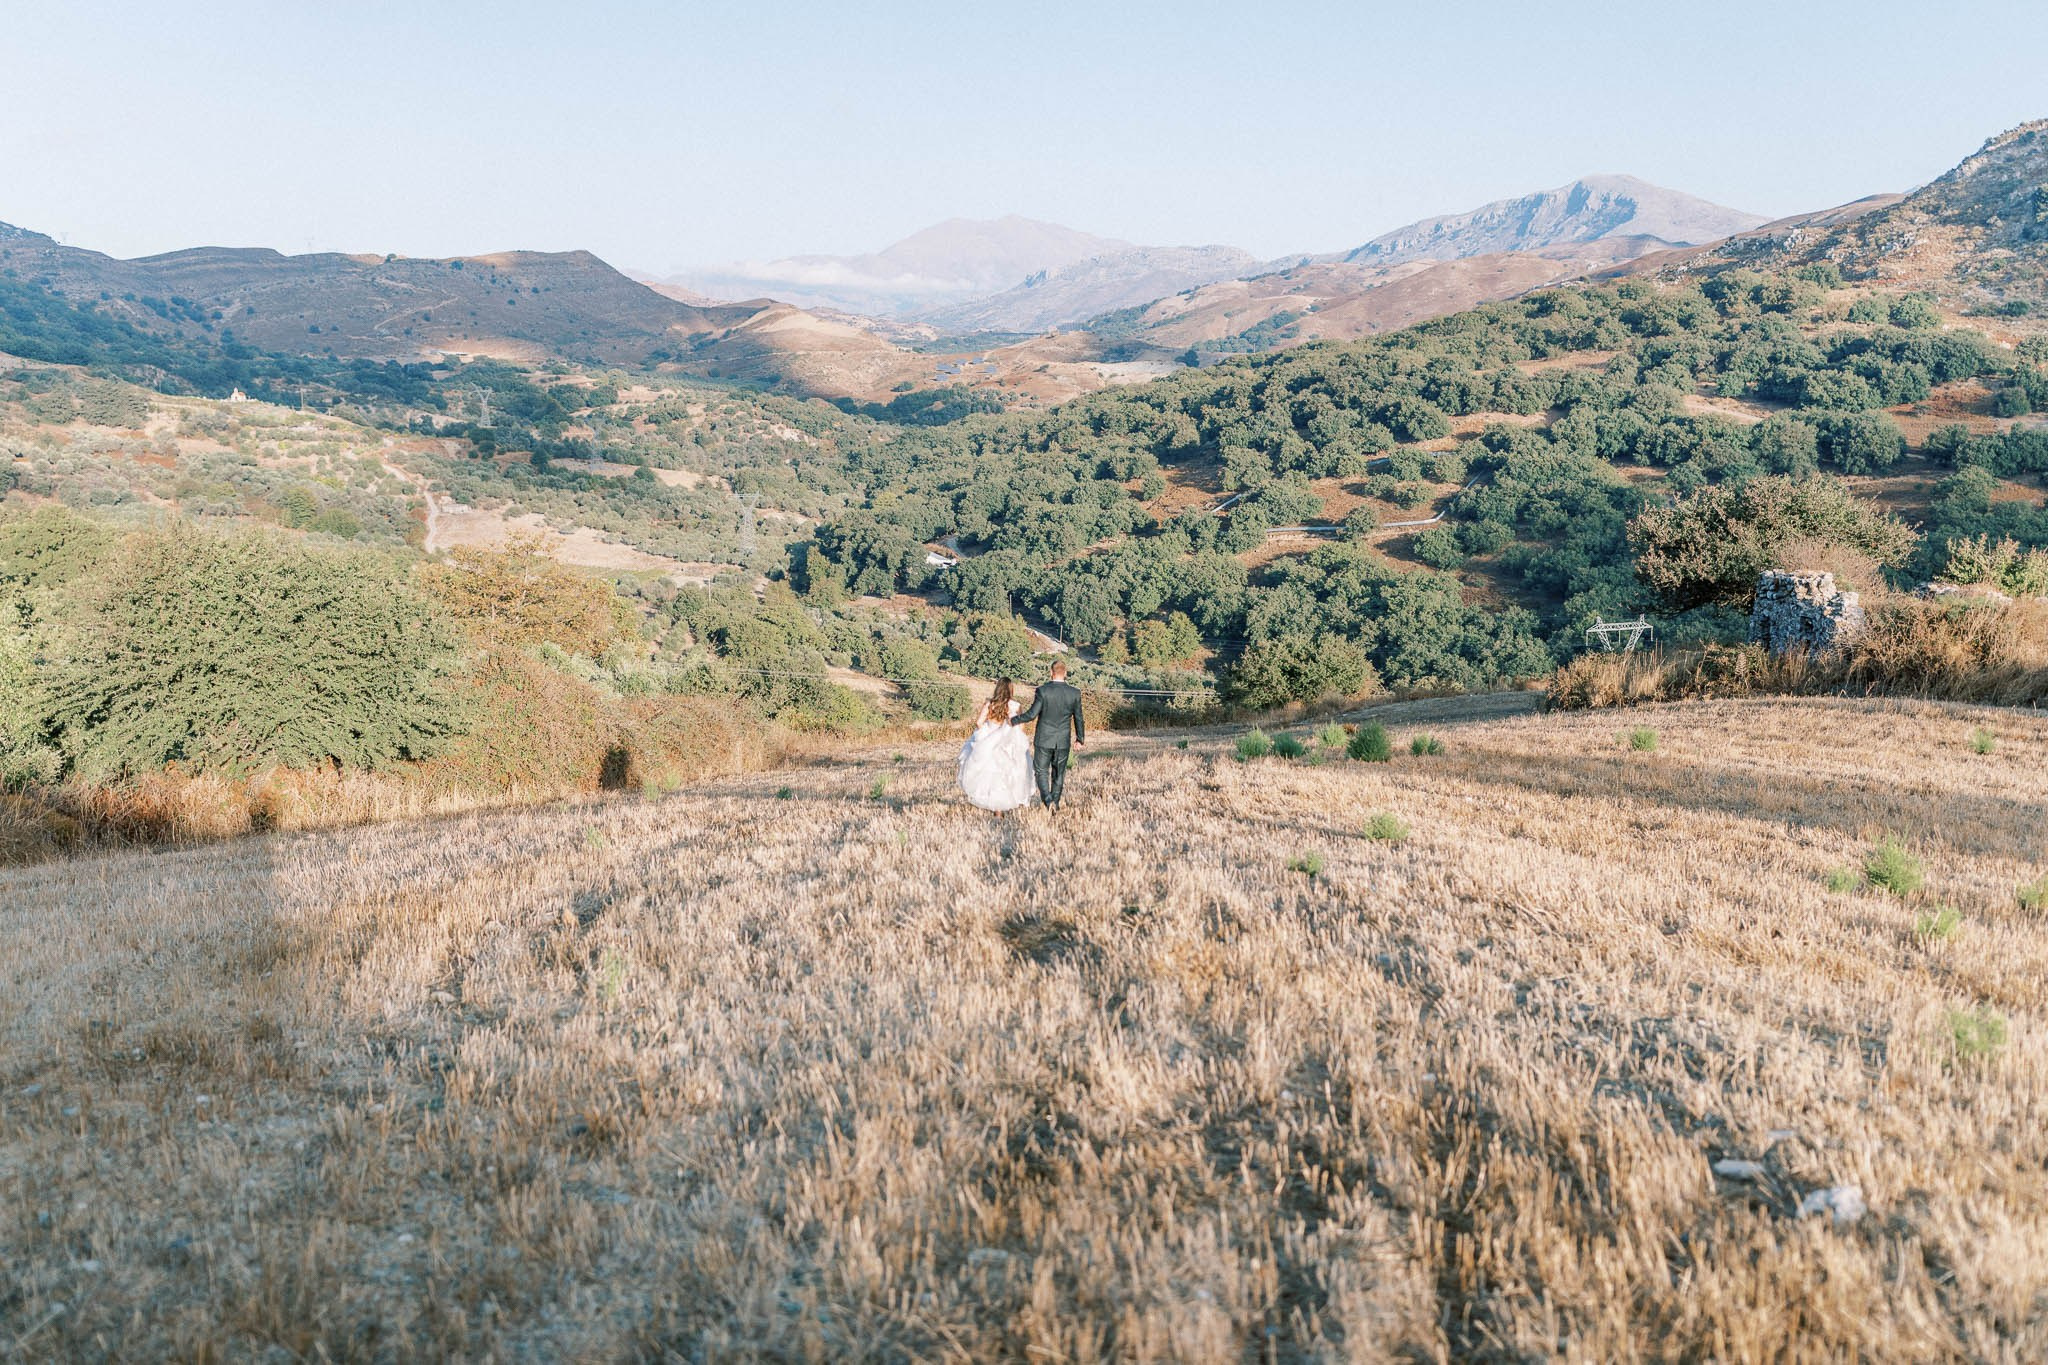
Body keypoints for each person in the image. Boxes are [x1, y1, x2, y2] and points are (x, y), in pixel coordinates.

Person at [1011, 660, 1084, 814]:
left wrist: (1013, 720)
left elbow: (1031, 715)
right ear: (1065, 673)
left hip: (1043, 739)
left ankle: (1048, 800)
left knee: (1041, 771)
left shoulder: (1042, 691)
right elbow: (1078, 717)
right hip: (1063, 740)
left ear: (1051, 672)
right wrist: (1080, 738)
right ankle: (1054, 804)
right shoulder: (1074, 693)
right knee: (1059, 774)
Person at [956, 679, 1034, 813]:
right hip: (1007, 743)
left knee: (989, 774)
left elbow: (979, 722)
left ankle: (992, 803)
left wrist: (988, 731)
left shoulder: (989, 704)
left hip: (988, 742)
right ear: (1011, 690)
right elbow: (1021, 728)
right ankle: (1003, 805)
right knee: (1007, 774)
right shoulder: (1016, 705)